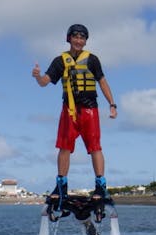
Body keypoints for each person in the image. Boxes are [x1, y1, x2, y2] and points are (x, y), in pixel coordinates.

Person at [32, 24, 117, 212]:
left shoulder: (92, 60)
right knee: (64, 147)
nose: (79, 40)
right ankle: (61, 185)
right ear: (69, 38)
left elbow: (102, 81)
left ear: (85, 40)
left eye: (82, 37)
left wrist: (112, 104)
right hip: (69, 110)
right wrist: (38, 77)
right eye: (75, 37)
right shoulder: (60, 61)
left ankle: (100, 185)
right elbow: (45, 81)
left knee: (95, 147)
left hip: (90, 110)